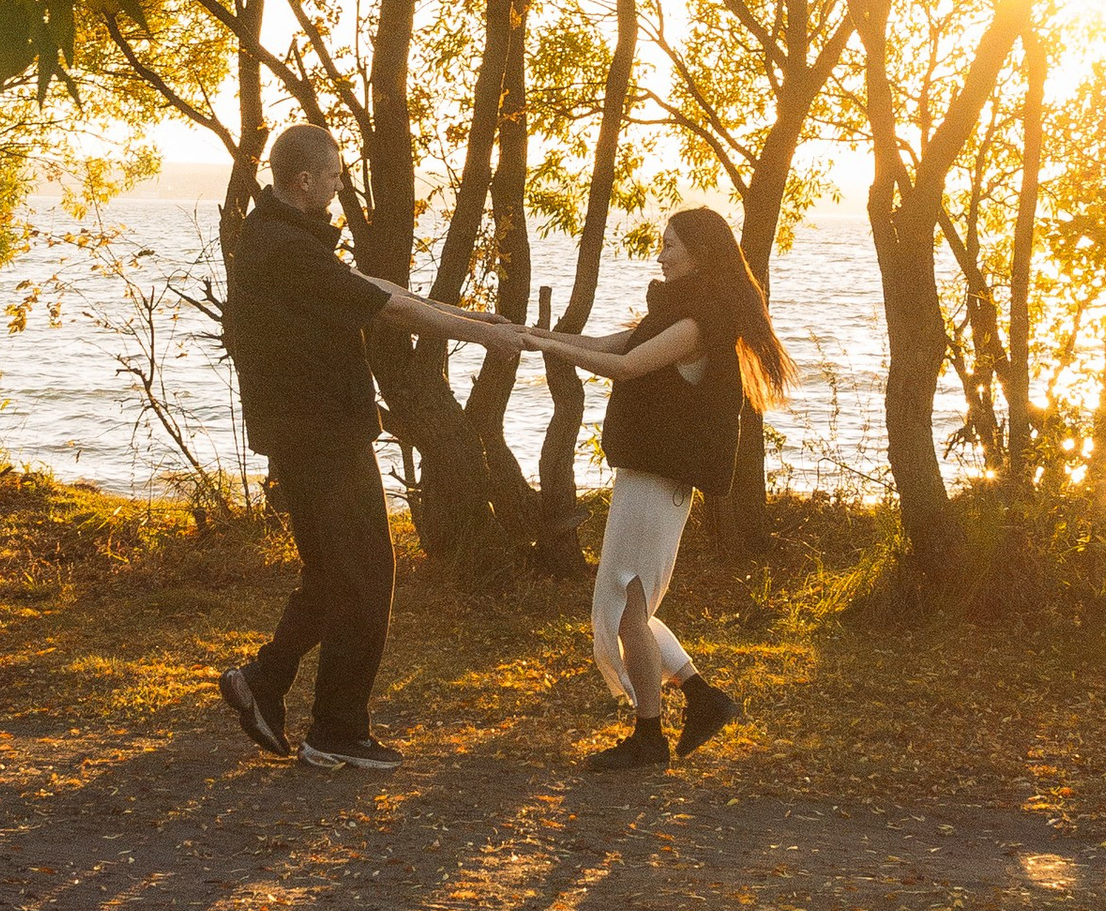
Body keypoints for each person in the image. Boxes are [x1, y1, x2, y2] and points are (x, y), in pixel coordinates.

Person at [216, 123, 517, 773]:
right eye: (333, 176)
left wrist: (471, 317)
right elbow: (386, 308)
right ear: (304, 182)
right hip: (322, 436)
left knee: (329, 575)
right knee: (368, 576)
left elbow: (377, 289)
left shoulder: (280, 238)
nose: (340, 184)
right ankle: (336, 730)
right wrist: (480, 334)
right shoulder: (286, 249)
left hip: (309, 432)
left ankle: (262, 681)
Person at [518, 204, 793, 772]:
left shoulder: (698, 322)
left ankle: (650, 736)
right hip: (646, 479)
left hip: (656, 484)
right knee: (623, 606)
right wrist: (536, 336)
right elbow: (614, 344)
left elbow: (628, 367)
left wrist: (550, 348)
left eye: (670, 245)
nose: (661, 254)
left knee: (627, 610)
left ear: (699, 253)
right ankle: (700, 697)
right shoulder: (679, 311)